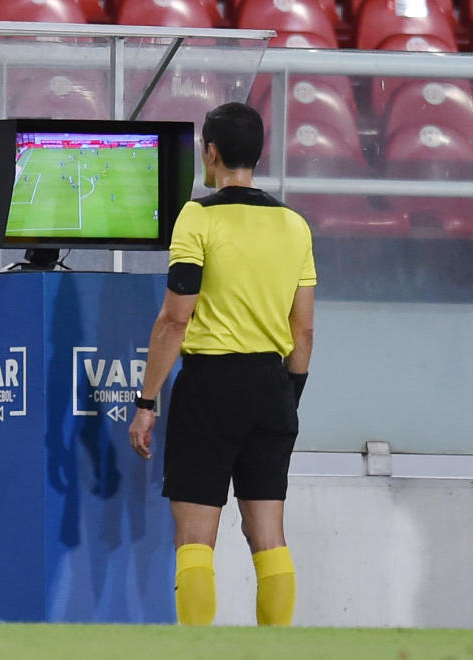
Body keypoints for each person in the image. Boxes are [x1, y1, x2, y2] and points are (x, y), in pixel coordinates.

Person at [128, 102, 316, 627]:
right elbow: (303, 330)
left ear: (210, 153)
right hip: (272, 386)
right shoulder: (294, 225)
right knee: (268, 536)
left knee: (194, 539)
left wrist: (146, 402)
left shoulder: (198, 216)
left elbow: (174, 318)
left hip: (210, 385)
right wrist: (287, 396)